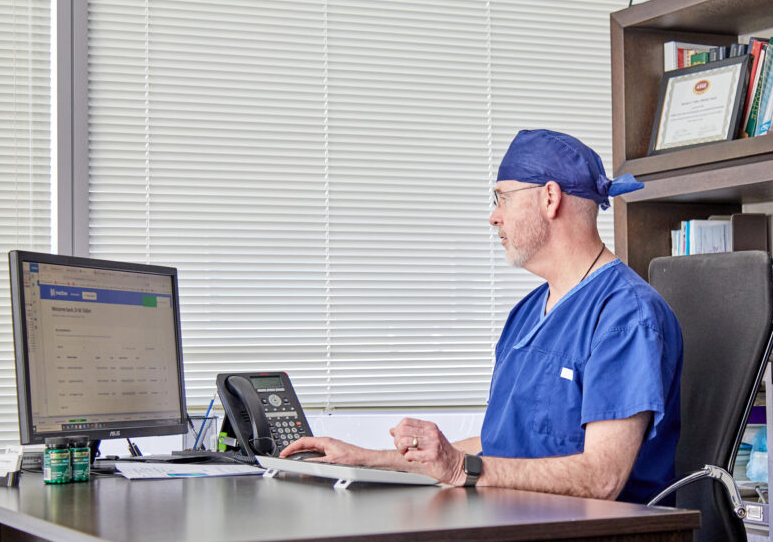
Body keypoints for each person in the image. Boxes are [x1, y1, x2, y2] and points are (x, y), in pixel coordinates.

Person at [280, 129, 683, 503]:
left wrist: (461, 469)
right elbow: (499, 445)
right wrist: (364, 458)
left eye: (503, 198)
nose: (494, 217)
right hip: (514, 520)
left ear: (549, 198)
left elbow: (602, 477)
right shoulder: (526, 313)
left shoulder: (626, 315)